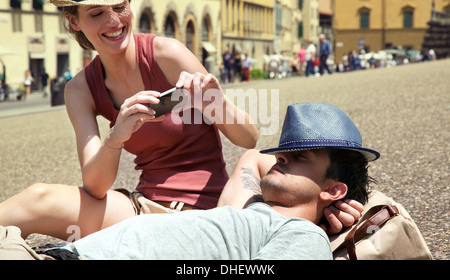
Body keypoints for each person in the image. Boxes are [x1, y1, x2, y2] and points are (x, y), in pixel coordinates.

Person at [0, 0, 258, 241]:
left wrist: (216, 103)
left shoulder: (167, 53)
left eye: (120, 6)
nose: (114, 21)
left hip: (207, 210)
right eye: (97, 13)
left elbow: (249, 139)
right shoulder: (80, 89)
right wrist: (116, 137)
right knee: (37, 198)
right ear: (73, 21)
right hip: (140, 208)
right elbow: (95, 188)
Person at [0, 102, 379, 260]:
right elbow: (251, 157)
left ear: (333, 187)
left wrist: (331, 211)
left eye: (298, 158)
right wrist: (326, 199)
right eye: (281, 155)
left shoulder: (301, 234)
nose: (277, 161)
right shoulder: (247, 210)